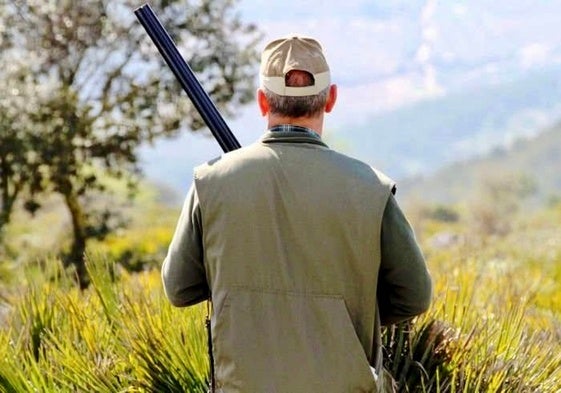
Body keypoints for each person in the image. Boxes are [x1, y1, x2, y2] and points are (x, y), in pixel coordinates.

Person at [162, 35, 432, 393]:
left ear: (262, 101)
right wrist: (346, 310)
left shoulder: (210, 182)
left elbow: (179, 289)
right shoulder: (371, 188)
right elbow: (414, 295)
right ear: (331, 98)